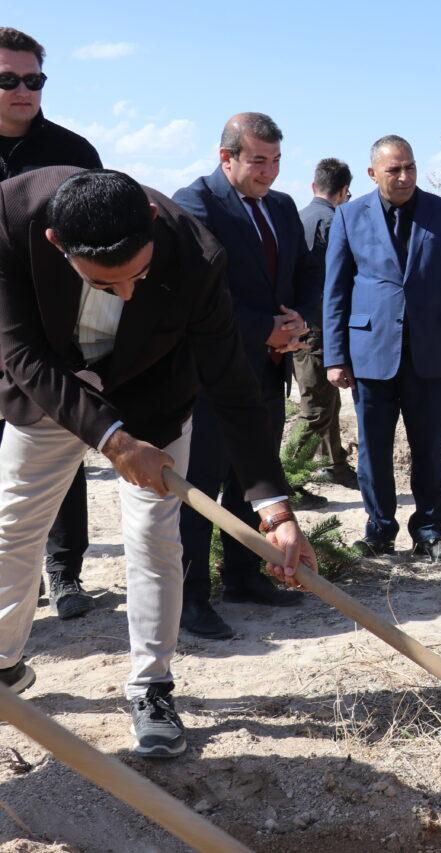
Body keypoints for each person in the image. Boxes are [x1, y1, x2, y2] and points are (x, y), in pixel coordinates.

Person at [0, 167, 316, 755]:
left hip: (152, 397)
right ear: (56, 244)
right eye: (104, 282)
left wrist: (274, 508)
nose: (126, 293)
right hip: (50, 389)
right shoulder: (11, 218)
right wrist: (114, 441)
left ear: (150, 224)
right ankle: (3, 667)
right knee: (13, 525)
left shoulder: (197, 254)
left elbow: (230, 383)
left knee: (154, 539)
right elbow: (17, 350)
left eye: (139, 277)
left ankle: (153, 689)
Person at [173, 113, 323, 640]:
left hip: (267, 371)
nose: (270, 173)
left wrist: (300, 319)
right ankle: (189, 599)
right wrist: (265, 329)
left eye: (276, 160)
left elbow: (306, 270)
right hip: (212, 375)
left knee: (250, 478)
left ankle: (241, 577)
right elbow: (199, 295)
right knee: (201, 486)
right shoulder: (194, 204)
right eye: (258, 160)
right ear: (226, 157)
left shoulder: (281, 206)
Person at [325, 135, 441, 562]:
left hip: (431, 350)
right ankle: (379, 530)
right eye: (394, 170)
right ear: (373, 173)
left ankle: (429, 531)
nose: (405, 176)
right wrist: (335, 357)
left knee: (429, 445)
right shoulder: (349, 216)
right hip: (371, 352)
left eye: (409, 167)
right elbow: (335, 290)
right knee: (374, 448)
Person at [0, 26, 103, 620]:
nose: (23, 90)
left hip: (50, 330)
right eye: (8, 80)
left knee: (61, 445)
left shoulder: (73, 153)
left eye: (33, 80)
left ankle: (64, 573)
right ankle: (16, 581)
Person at [294, 157, 357, 490]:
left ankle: (337, 466)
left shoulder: (295, 219)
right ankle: (290, 480)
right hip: (321, 330)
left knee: (326, 400)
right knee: (316, 409)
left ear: (313, 185)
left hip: (299, 325)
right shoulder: (336, 223)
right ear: (344, 191)